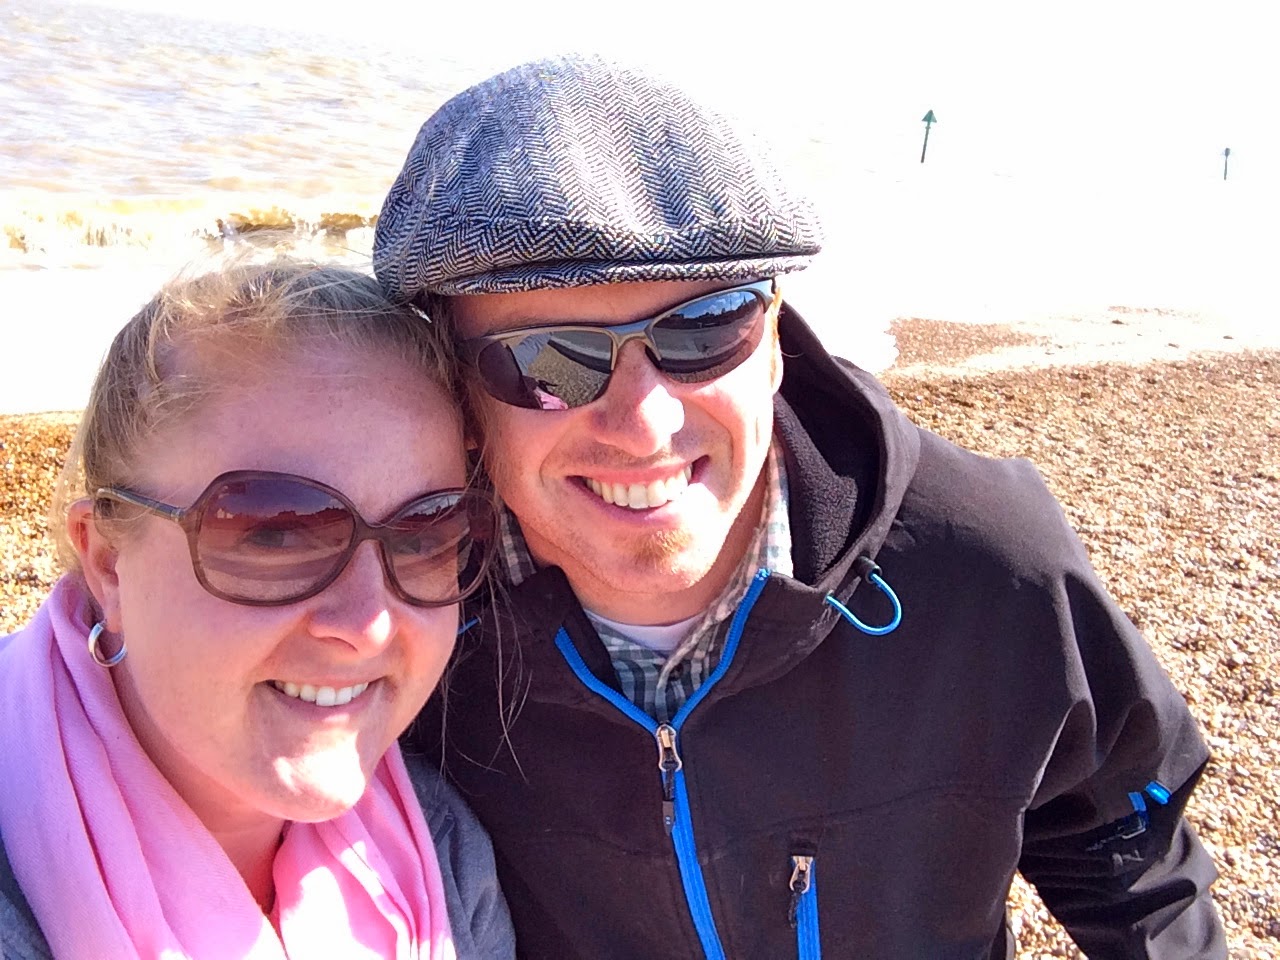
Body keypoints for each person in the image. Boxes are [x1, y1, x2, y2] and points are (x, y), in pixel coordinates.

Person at [373, 55, 1226, 959]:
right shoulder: (408, 615)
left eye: (704, 329)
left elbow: (1124, 846)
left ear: (775, 335)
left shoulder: (983, 561)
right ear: (456, 387)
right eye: (550, 360)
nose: (645, 423)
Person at [0, 259, 515, 959]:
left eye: (426, 531)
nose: (368, 623)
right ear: (108, 560)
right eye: (275, 530)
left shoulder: (444, 865)